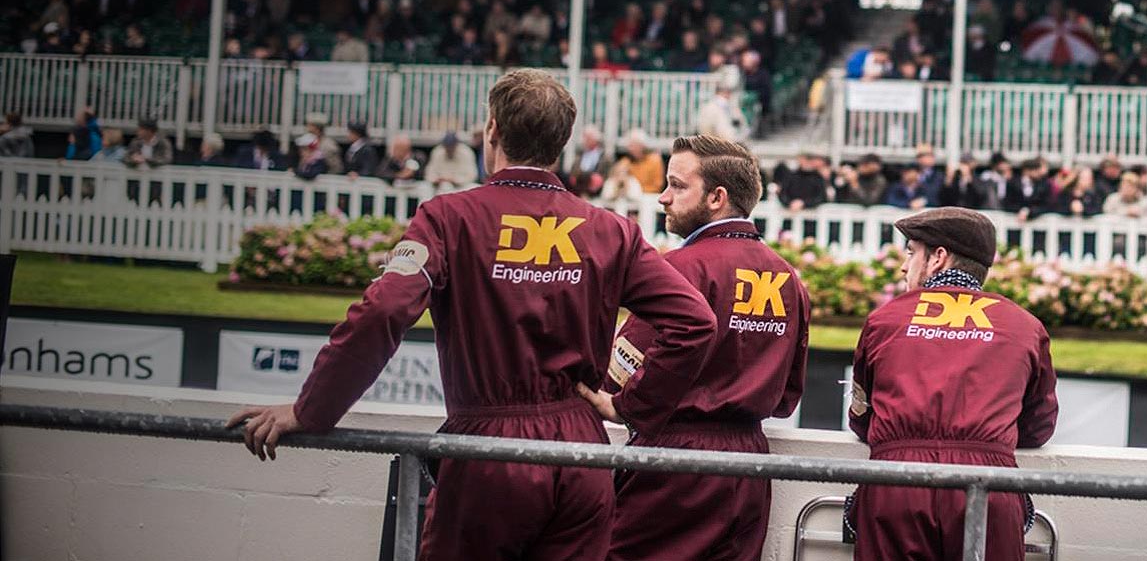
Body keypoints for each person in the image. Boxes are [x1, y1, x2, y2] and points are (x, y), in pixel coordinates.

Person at [228, 68, 716, 561]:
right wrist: (637, 408)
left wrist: (312, 410)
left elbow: (384, 312)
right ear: (562, 142)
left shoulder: (447, 217)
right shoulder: (612, 230)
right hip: (582, 456)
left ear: (493, 132)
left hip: (488, 452)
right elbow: (695, 322)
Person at [580, 134, 809, 561]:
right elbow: (786, 399)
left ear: (716, 197)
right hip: (751, 466)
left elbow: (618, 374)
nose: (663, 197)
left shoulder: (679, 268)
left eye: (677, 185)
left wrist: (627, 404)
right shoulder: (789, 278)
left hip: (676, 462)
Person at [847, 207, 1058, 561]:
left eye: (911, 252)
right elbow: (1039, 426)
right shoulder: (1025, 326)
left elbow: (860, 416)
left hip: (897, 483)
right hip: (989, 485)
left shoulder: (885, 319)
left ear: (937, 258)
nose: (904, 265)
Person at [696, 69, 748, 143]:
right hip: (715, 144)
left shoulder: (732, 107)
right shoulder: (710, 107)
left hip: (731, 143)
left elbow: (743, 126)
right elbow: (706, 130)